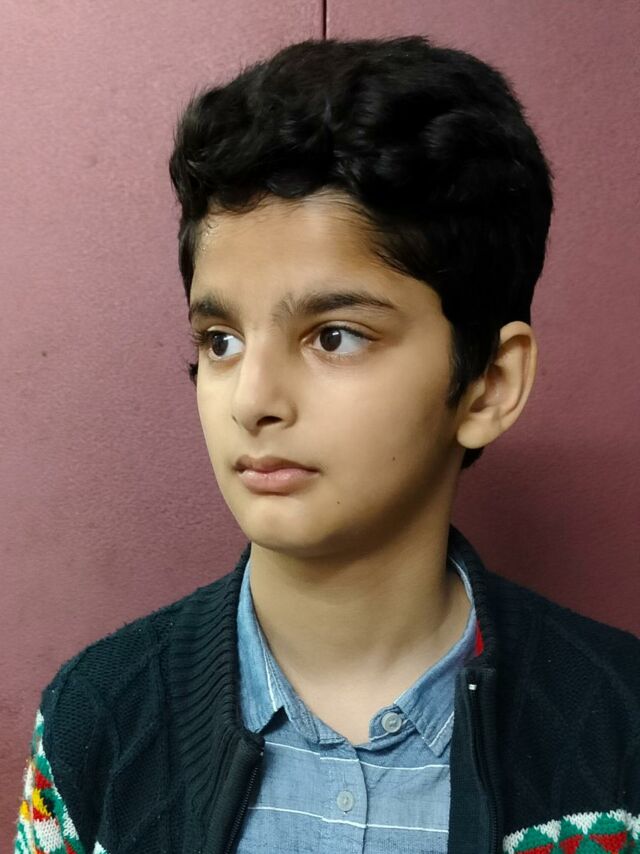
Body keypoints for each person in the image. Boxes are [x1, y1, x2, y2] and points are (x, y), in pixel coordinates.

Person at [14, 34, 639, 854]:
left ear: (489, 384)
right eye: (221, 341)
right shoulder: (96, 719)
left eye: (335, 336)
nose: (253, 400)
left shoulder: (621, 733)